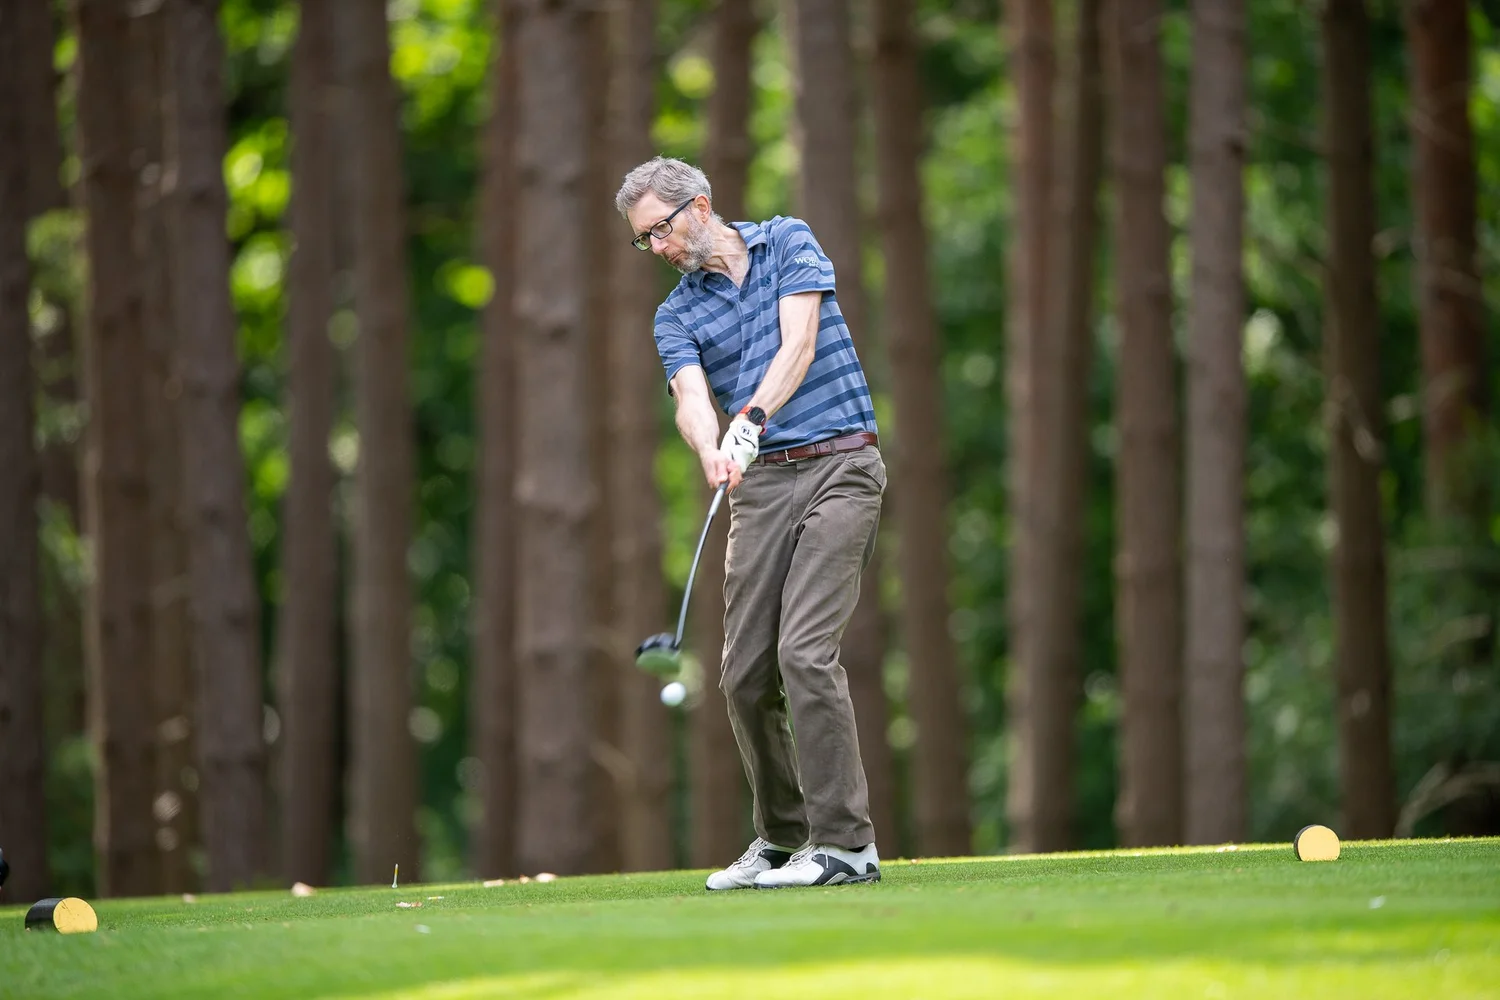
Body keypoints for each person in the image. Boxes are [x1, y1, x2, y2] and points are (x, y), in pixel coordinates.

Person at [615, 156, 885, 889]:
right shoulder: (675, 314)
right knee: (742, 676)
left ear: (700, 206)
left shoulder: (787, 240)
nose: (657, 248)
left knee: (805, 652)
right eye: (644, 240)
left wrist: (754, 415)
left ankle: (846, 847)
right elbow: (690, 398)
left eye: (661, 230)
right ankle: (782, 839)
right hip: (760, 487)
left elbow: (800, 342)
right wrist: (711, 447)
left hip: (841, 467)